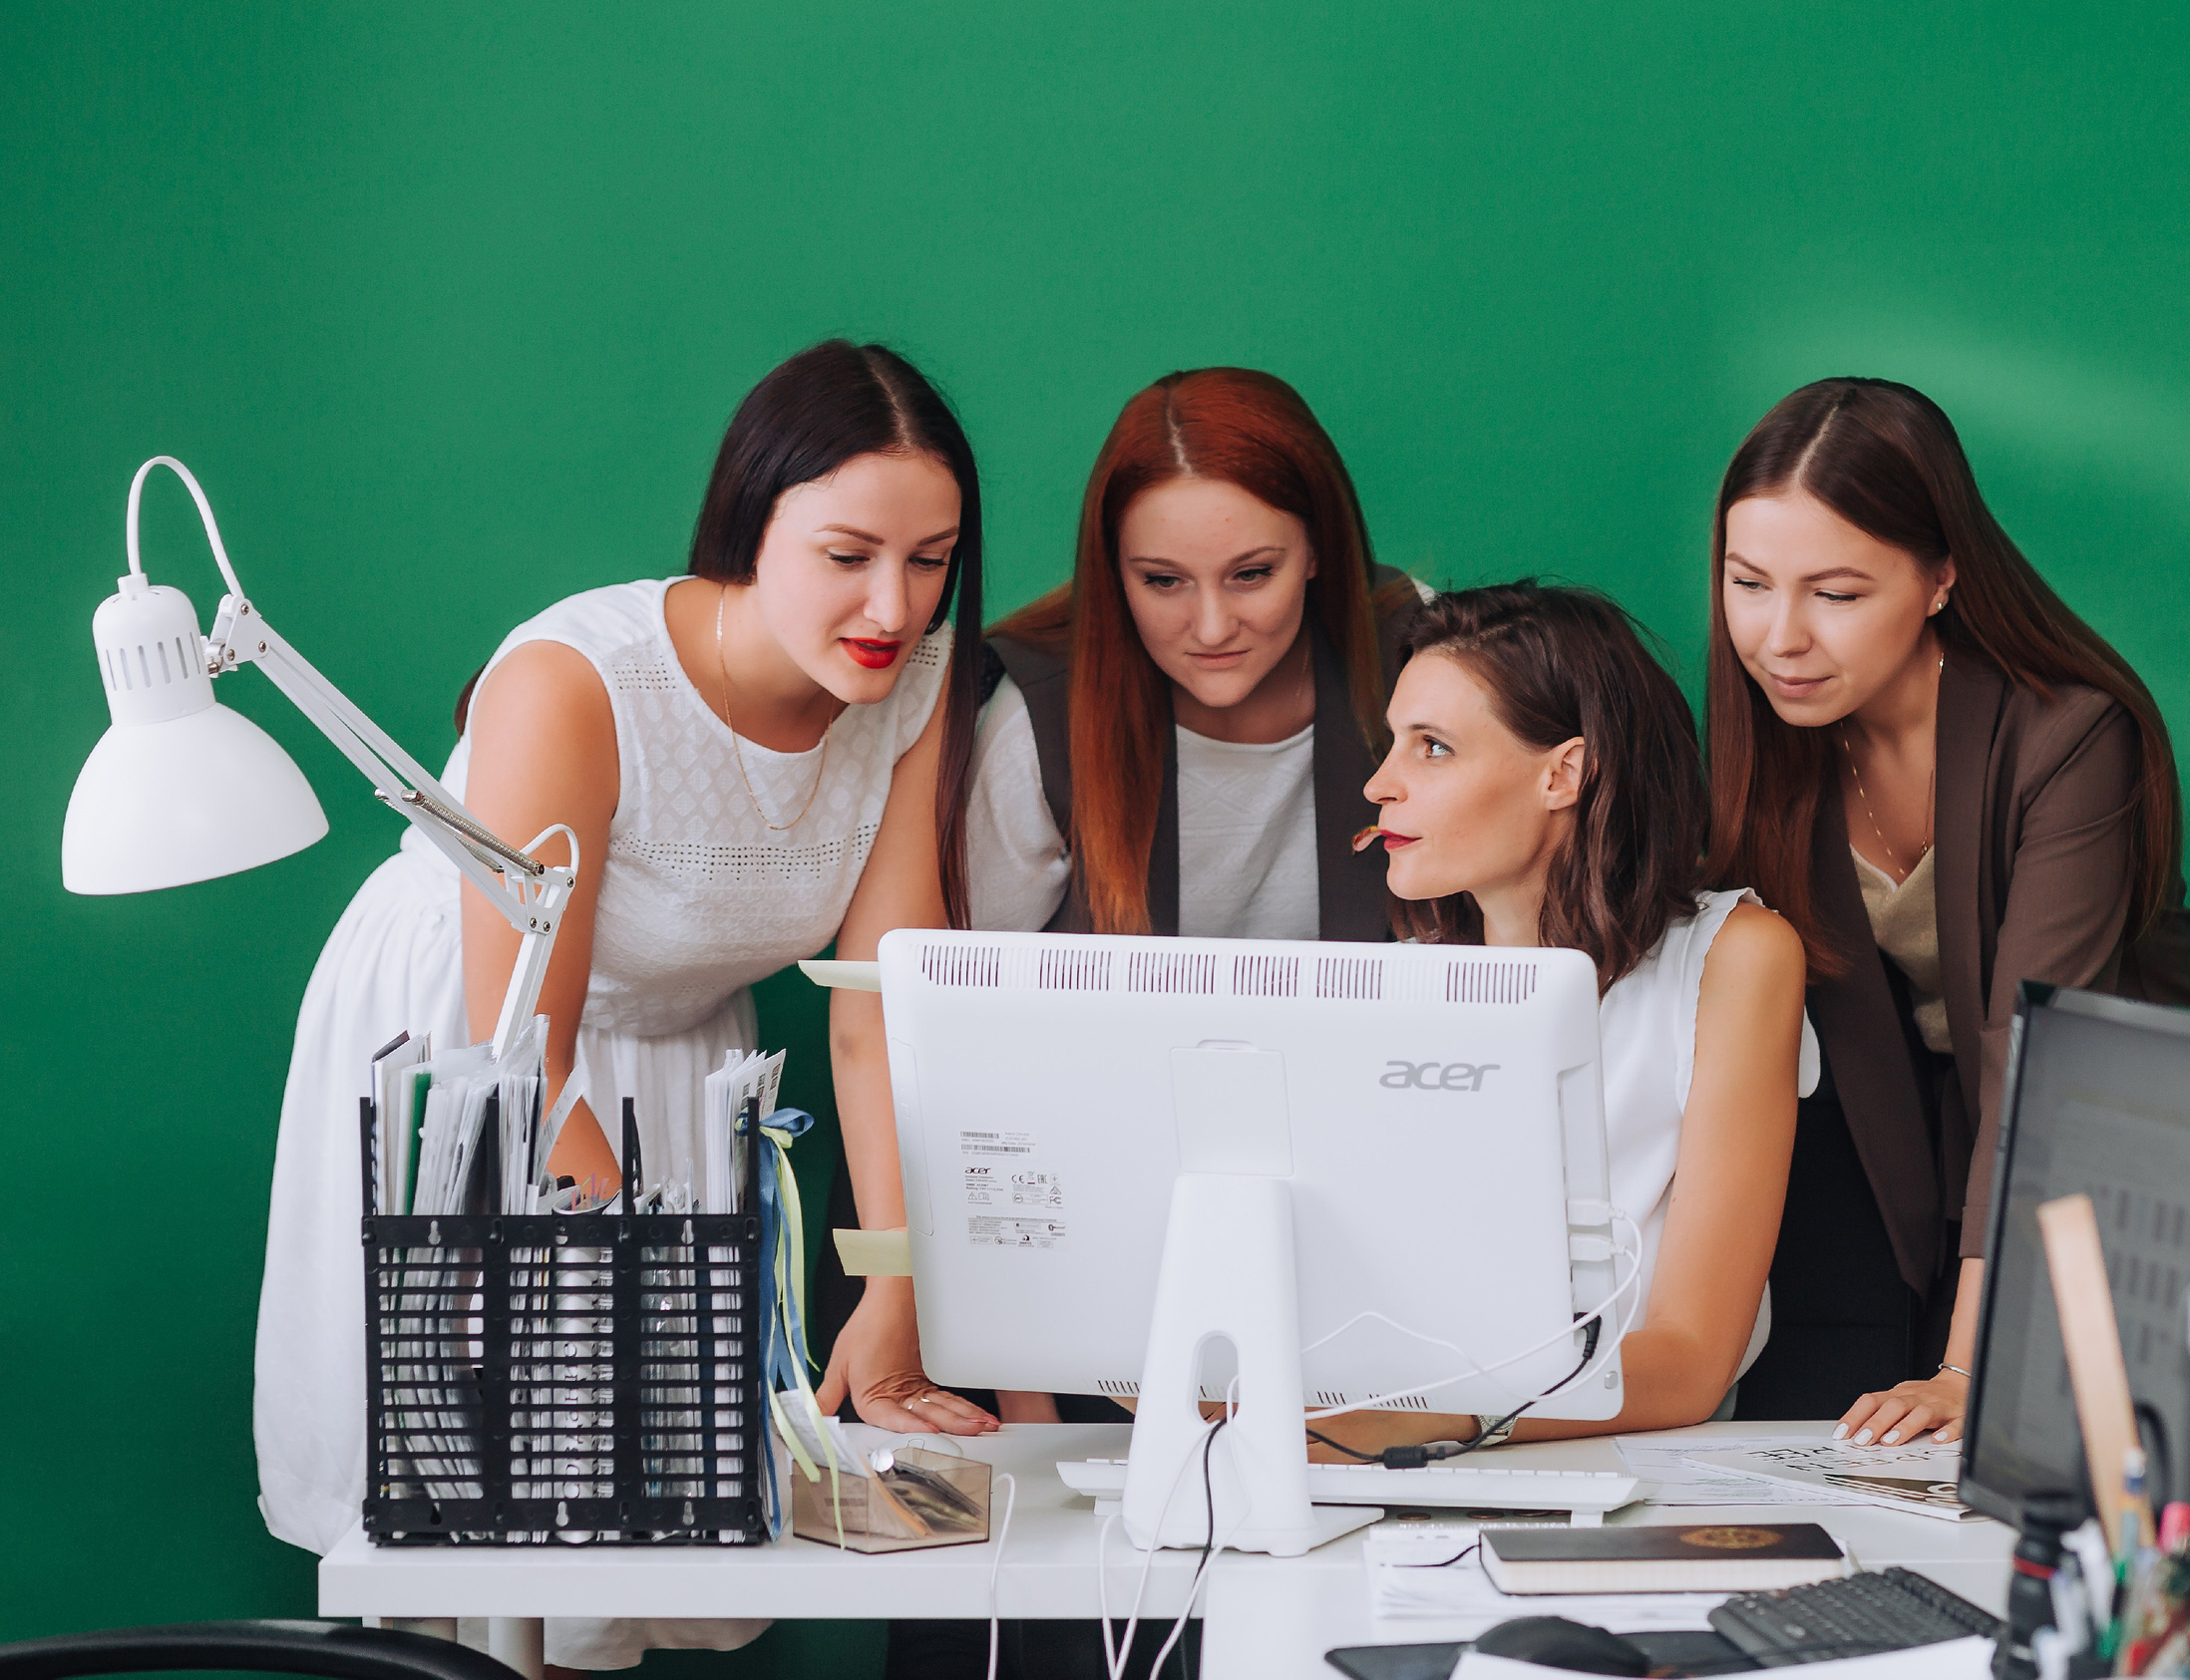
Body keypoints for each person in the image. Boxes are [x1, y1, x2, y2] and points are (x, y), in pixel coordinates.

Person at [252, 339, 985, 1672]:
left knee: (624, 1530)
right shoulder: (576, 679)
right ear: (747, 527)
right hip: (477, 1041)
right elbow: (524, 1056)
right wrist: (647, 1284)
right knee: (492, 1499)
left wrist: (893, 1283)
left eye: (930, 559)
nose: (894, 601)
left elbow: (879, 1004)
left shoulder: (915, 682)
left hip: (681, 1051)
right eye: (847, 554)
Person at [808, 366, 1419, 1680]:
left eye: (1253, 573)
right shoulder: (1033, 709)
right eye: (1161, 582)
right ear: (1110, 573)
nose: (1211, 625)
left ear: (1322, 548)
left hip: (1335, 1265)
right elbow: (933, 1031)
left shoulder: (1415, 678)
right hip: (1054, 1252)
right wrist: (1009, 1370)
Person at [1698, 377, 2190, 1442]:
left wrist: (1964, 1368)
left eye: (1836, 594)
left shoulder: (2071, 735)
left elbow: (2039, 1060)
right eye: (1748, 583)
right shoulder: (1778, 737)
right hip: (1931, 1165)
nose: (1779, 637)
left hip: (2124, 1158)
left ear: (1940, 577)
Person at [1320, 580, 1813, 1458]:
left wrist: (1431, 1417)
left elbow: (1693, 1363)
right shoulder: (1407, 979)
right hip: (1410, 1460)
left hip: (1641, 1469)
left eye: (1432, 747)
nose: (1380, 784)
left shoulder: (1734, 958)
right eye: (1392, 743)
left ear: (1565, 773)